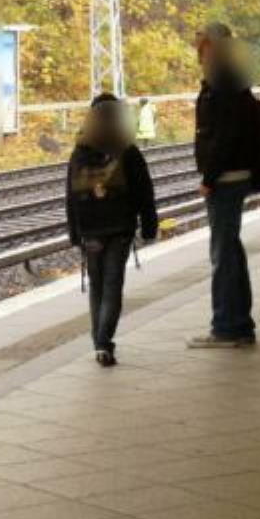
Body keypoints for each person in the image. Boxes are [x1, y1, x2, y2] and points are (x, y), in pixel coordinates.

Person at [66, 93, 158, 367]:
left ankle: (99, 343)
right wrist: (149, 225)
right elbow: (145, 192)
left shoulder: (80, 152)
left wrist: (74, 232)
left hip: (91, 230)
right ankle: (104, 343)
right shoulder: (127, 151)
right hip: (120, 228)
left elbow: (70, 196)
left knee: (96, 286)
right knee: (112, 286)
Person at [187, 22, 257, 348]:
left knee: (223, 255)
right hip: (234, 175)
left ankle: (227, 327)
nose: (199, 54)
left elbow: (223, 137)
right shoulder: (232, 78)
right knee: (231, 251)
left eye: (202, 47)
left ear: (212, 48)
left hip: (225, 179)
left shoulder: (220, 81)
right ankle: (240, 324)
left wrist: (208, 178)